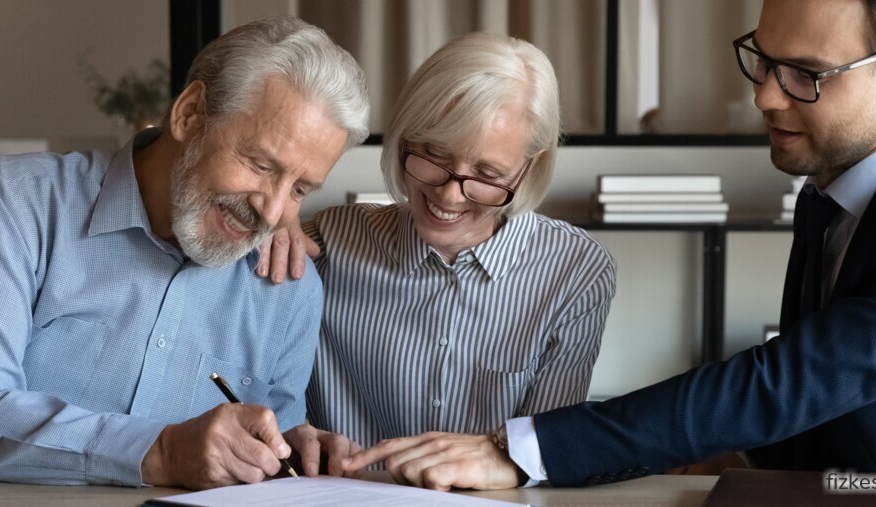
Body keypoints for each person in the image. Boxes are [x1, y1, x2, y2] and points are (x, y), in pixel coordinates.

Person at [343, 0, 876, 490]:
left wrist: (518, 450)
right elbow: (827, 403)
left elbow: (788, 381)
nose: (766, 96)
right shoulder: (845, 188)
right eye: (763, 58)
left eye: (806, 75)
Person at [0, 17, 371, 489]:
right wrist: (161, 451)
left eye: (300, 188)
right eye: (261, 164)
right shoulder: (17, 203)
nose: (271, 212)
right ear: (189, 114)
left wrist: (290, 450)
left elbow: (268, 460)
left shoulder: (289, 289)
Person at [259, 32, 616, 475]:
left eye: (487, 173)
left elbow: (542, 456)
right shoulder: (331, 242)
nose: (448, 195)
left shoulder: (575, 272)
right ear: (407, 135)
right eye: (433, 155)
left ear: (530, 166)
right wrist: (275, 214)